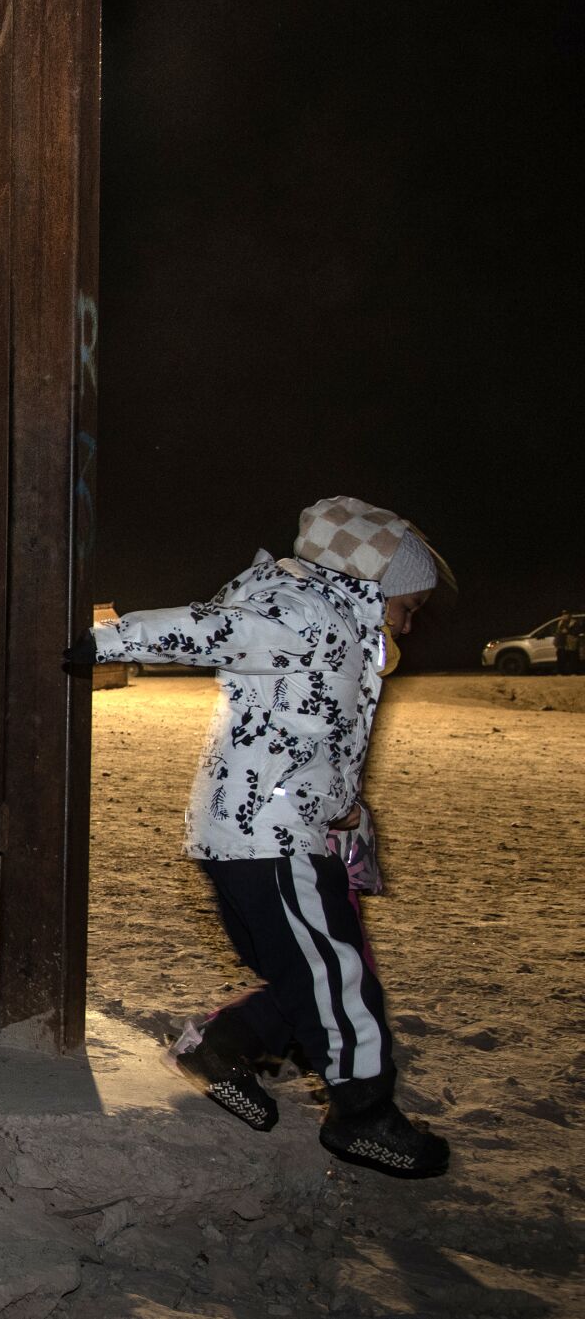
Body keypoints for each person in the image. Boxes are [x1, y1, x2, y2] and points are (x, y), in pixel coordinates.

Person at [75, 495, 453, 1180]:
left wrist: (346, 811)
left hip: (261, 830)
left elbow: (318, 737)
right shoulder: (306, 617)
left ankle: (218, 1050)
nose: (410, 619)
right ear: (372, 585)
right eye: (409, 604)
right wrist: (108, 640)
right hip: (271, 835)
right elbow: (207, 629)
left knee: (305, 968)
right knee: (336, 973)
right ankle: (363, 1117)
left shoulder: (337, 629)